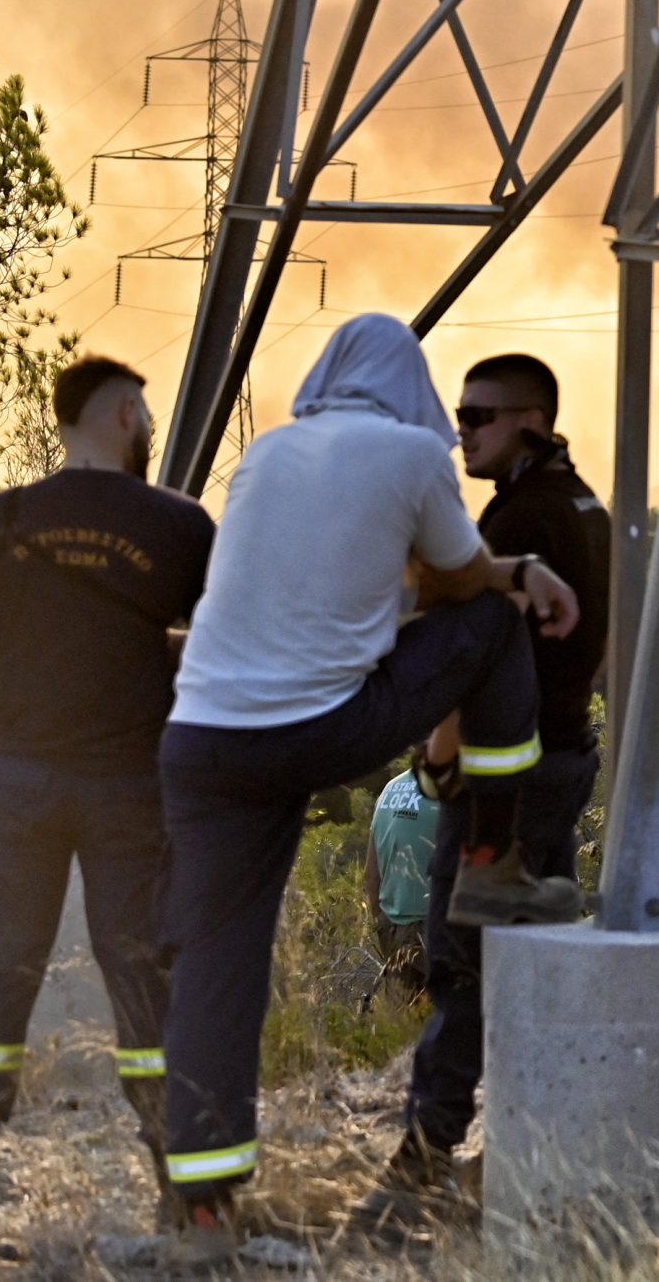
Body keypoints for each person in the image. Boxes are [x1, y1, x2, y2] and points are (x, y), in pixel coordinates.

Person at [156, 315, 584, 1261]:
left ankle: (200, 1211)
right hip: (316, 730)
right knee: (497, 625)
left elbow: (377, 583)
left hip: (201, 741)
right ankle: (490, 855)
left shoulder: (267, 457)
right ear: (415, 390)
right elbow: (463, 582)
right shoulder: (406, 453)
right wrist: (525, 575)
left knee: (218, 970)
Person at [0, 357, 214, 1254]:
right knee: (146, 982)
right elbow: (225, 654)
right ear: (128, 414)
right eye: (143, 414)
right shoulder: (180, 527)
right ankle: (186, 1204)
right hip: (130, 789)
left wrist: (17, 641)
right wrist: (144, 645)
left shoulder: (1, 519)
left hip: (16, 786)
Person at [358, 353, 612, 1224]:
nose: (462, 430)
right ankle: (542, 1142)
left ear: (532, 421)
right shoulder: (584, 504)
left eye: (478, 417)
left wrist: (438, 756)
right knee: (531, 957)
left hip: (508, 772)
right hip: (564, 755)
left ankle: (423, 1161)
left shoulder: (522, 517)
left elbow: (480, 648)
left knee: (462, 963)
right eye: (461, 416)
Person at [364, 768, 437, 986]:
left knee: (401, 1016)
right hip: (432, 928)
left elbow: (370, 875)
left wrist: (383, 924)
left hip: (391, 926)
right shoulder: (451, 790)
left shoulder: (389, 789)